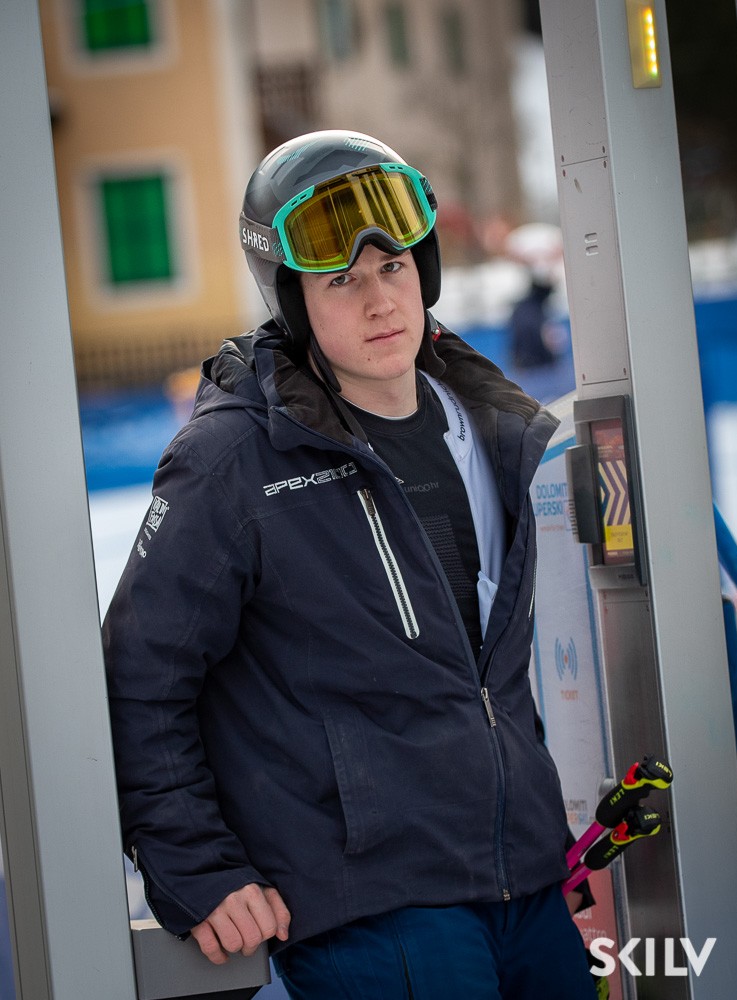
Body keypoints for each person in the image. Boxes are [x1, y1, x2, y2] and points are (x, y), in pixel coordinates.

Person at [103, 130, 596, 999]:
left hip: (525, 884)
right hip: (374, 911)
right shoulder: (234, 461)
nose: (378, 300)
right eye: (340, 281)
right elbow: (141, 676)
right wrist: (198, 867)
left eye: (393, 267)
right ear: (292, 301)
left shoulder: (495, 426)